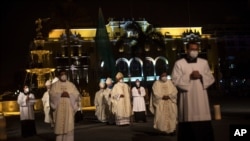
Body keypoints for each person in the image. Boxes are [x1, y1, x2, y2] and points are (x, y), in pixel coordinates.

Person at [171, 41, 215, 141]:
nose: (194, 51)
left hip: (201, 101)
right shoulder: (179, 63)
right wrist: (189, 76)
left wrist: (201, 76)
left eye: (196, 49)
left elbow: (211, 78)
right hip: (187, 100)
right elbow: (174, 80)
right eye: (192, 49)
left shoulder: (204, 63)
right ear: (187, 50)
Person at [49, 70, 80, 141]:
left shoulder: (71, 85)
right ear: (59, 76)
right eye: (62, 74)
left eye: (65, 74)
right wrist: (60, 95)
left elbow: (77, 95)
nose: (63, 75)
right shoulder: (55, 85)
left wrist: (69, 95)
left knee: (69, 127)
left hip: (69, 110)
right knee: (60, 128)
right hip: (59, 110)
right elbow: (51, 95)